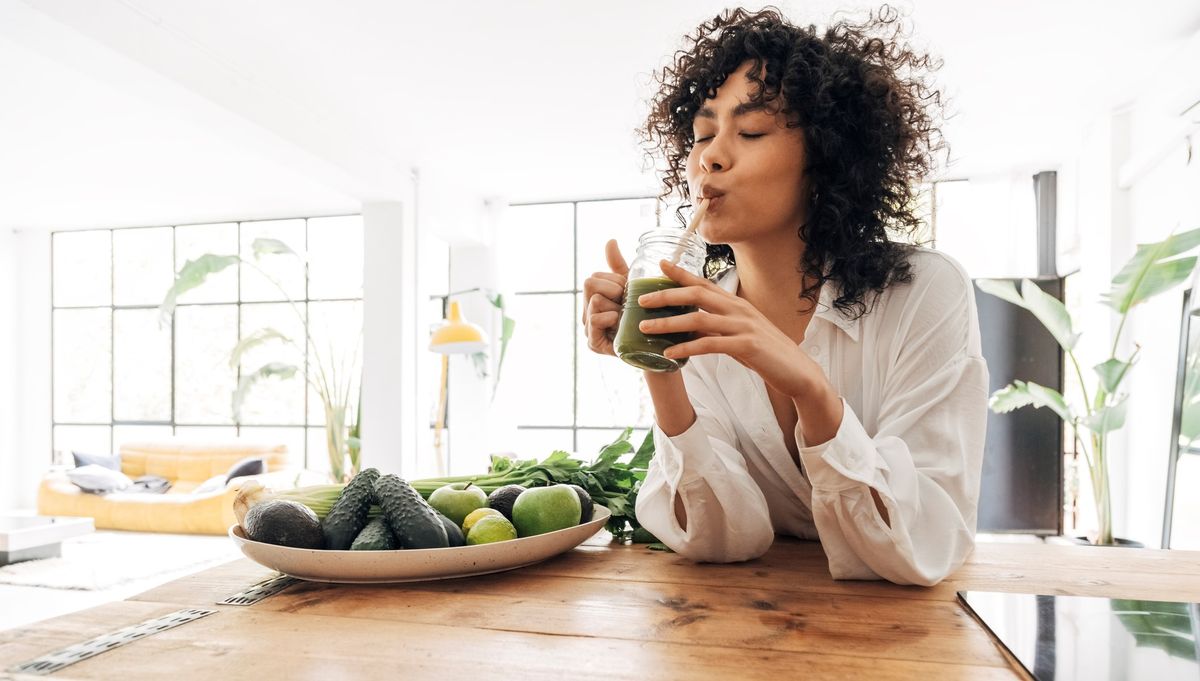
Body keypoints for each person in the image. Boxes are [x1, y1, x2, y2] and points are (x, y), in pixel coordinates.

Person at [581, 6, 988, 586]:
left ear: (824, 156)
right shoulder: (696, 310)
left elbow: (926, 544)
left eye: (750, 131)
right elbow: (719, 541)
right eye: (702, 133)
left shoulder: (923, 292)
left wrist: (810, 389)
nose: (710, 156)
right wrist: (658, 360)